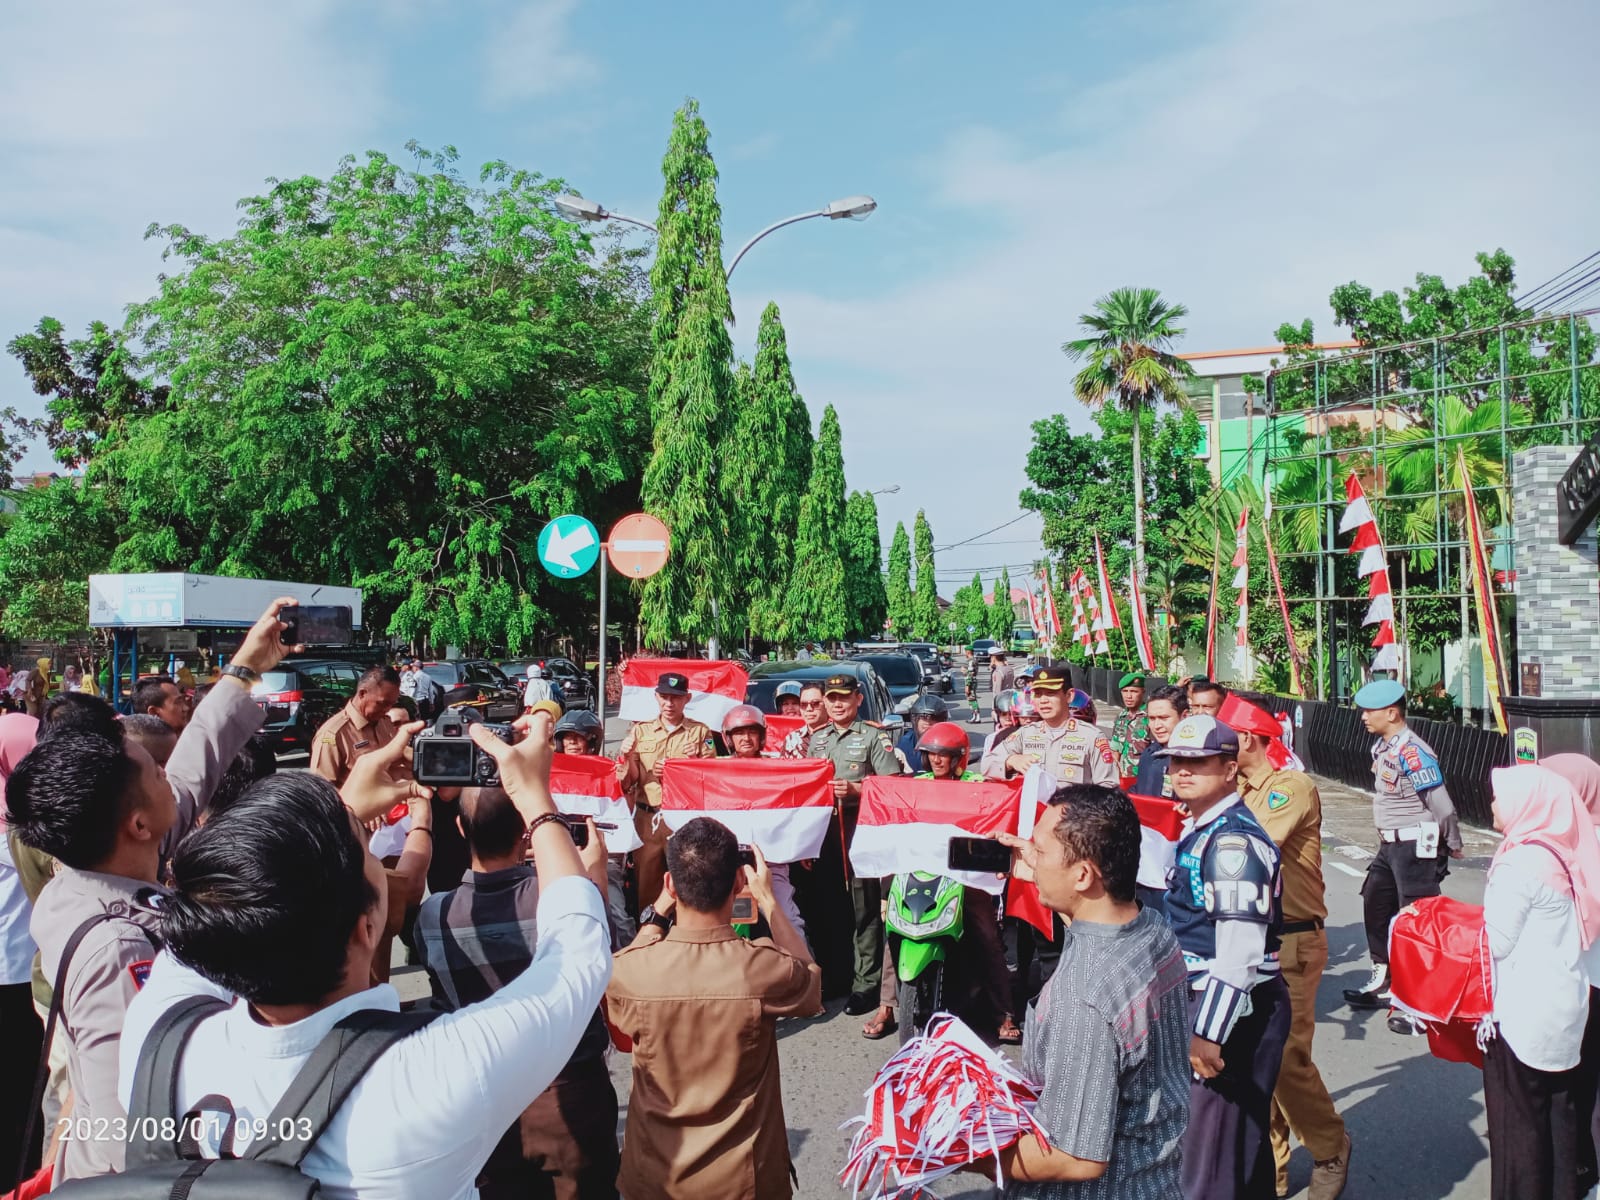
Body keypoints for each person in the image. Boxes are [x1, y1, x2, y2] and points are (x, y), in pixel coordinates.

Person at [112, 708, 607, 1198]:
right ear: (365, 928)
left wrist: (340, 813)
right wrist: (537, 801)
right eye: (368, 852)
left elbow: (211, 916)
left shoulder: (156, 1042)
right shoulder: (433, 1072)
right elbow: (575, 956)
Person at [4, 600, 297, 1184]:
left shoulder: (96, 869)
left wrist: (245, 666)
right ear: (138, 824)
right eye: (156, 775)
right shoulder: (119, 951)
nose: (173, 779)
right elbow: (128, 1126)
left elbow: (197, 762)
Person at [415, 785, 619, 1200]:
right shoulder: (560, 900)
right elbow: (601, 952)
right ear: (526, 832)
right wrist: (592, 876)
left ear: (459, 828)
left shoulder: (432, 914)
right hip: (571, 1092)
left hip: (482, 1099)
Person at [986, 784, 1190, 1195]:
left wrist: (968, 1154)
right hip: (1153, 1178)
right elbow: (1089, 927)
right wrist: (1045, 875)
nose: (1032, 857)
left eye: (1041, 851)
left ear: (1083, 874)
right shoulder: (1149, 926)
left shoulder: (1084, 998)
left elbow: (1075, 1158)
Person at [606, 821, 821, 1199]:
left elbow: (622, 963)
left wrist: (658, 910)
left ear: (671, 885)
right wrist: (769, 902)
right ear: (739, 882)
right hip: (743, 1182)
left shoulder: (631, 971)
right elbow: (810, 980)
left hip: (656, 1179)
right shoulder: (761, 968)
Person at [1159, 715, 1290, 1200]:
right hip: (1215, 998)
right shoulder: (1202, 827)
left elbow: (1240, 949)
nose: (1183, 771)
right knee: (1236, 1153)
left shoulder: (1233, 841)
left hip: (1232, 1007)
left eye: (1199, 762)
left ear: (1231, 768)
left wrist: (1208, 1032)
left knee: (1209, 1165)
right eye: (1176, 762)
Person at [1226, 695, 1350, 1200]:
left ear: (1249, 739)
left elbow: (1244, 850)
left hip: (1293, 938)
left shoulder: (1289, 788)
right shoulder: (1231, 789)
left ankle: (1329, 1147)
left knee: (1286, 1060)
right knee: (1255, 1058)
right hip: (1243, 939)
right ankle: (1271, 1174)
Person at [1479, 764, 1600, 1200]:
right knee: (1558, 1119)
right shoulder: (1561, 854)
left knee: (1518, 1129)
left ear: (1526, 805)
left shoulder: (1520, 862)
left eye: (1500, 797)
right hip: (1566, 1004)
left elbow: (1498, 942)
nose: (1493, 804)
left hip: (1524, 1013)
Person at [1342, 679, 1463, 1018]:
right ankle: (1385, 977)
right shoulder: (1383, 748)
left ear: (1392, 713)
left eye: (1370, 711)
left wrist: (1452, 841)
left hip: (1414, 844)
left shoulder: (1412, 751)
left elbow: (1441, 804)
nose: (1363, 717)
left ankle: (1419, 992)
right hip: (1390, 844)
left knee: (1414, 919)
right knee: (1375, 902)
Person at [808, 673, 903, 1018]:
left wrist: (857, 790)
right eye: (831, 697)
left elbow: (891, 786)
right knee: (832, 910)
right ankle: (838, 977)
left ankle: (866, 985)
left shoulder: (873, 737)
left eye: (843, 697)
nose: (836, 703)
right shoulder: (818, 740)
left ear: (857, 700)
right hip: (825, 835)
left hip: (860, 831)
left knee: (863, 910)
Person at [617, 673, 717, 917]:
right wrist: (628, 757)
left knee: (688, 883)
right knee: (647, 886)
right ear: (656, 697)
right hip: (648, 819)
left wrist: (692, 763)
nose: (669, 703)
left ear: (687, 699)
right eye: (664, 697)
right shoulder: (640, 732)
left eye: (676, 698)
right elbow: (628, 781)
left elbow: (712, 779)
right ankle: (650, 938)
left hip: (683, 821)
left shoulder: (700, 732)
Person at [721, 704, 807, 936]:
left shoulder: (778, 768)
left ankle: (803, 969)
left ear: (762, 736)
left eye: (752, 732)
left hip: (772, 861)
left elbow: (797, 806)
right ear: (728, 738)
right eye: (739, 733)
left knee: (787, 919)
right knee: (720, 922)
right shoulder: (716, 770)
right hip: (727, 864)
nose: (746, 738)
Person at [981, 666, 1119, 787]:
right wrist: (1011, 760)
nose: (1043, 700)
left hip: (1075, 815)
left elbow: (1109, 785)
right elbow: (986, 764)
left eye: (1051, 693)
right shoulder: (1025, 734)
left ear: (1069, 696)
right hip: (1035, 815)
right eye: (1038, 694)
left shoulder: (1092, 737)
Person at [309, 664, 403, 788]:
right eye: (383, 703)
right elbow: (322, 790)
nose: (387, 709)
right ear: (362, 694)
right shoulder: (332, 734)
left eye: (392, 704)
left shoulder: (385, 723)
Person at [1133, 685, 1187, 799]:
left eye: (1164, 718)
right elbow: (1139, 791)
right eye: (1152, 718)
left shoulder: (1194, 759)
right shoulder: (1148, 754)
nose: (1157, 726)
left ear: (1184, 716)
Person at [1110, 673, 1149, 784]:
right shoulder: (1121, 717)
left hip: (1143, 779)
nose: (1129, 696)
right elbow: (1115, 750)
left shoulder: (1150, 717)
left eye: (1134, 691)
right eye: (1125, 691)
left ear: (1143, 692)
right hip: (1123, 779)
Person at [896, 693, 949, 761]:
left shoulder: (950, 743)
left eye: (934, 718)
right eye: (923, 717)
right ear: (915, 719)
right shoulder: (905, 744)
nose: (928, 722)